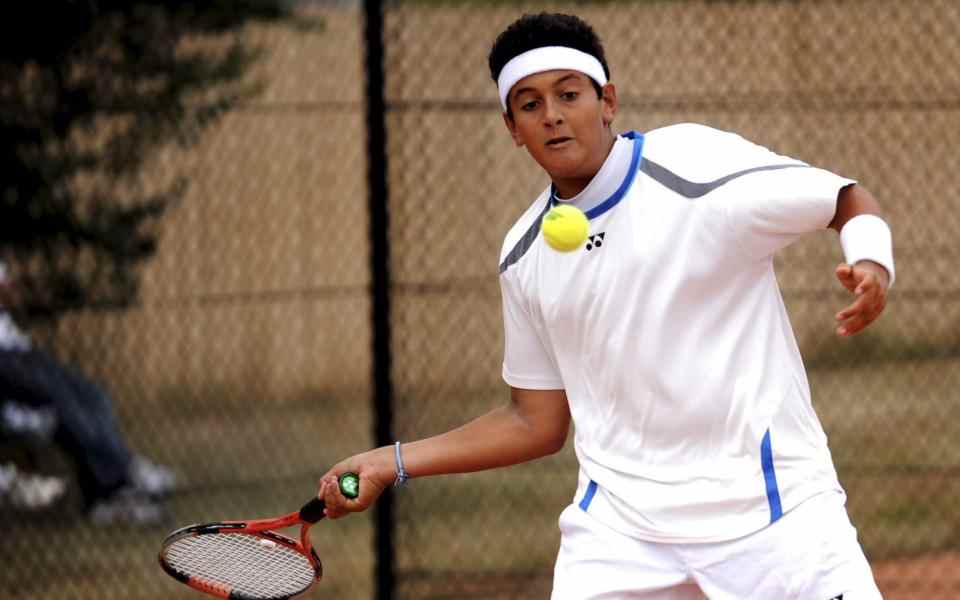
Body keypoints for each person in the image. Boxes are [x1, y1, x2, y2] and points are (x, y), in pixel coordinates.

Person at [317, 12, 893, 599]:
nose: (553, 115)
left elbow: (843, 197)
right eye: (530, 104)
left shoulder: (694, 166)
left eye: (569, 94)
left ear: (607, 101)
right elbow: (534, 422)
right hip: (622, 533)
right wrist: (392, 461)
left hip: (774, 512)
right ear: (512, 127)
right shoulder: (525, 255)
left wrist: (870, 264)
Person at [0, 261, 176, 525]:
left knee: (92, 394)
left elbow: (9, 293)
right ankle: (113, 486)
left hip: (17, 349)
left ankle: (120, 469)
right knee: (61, 402)